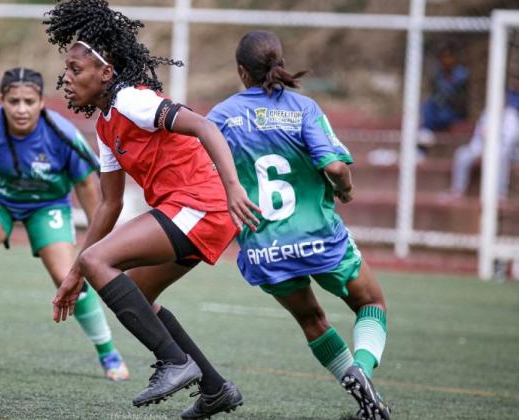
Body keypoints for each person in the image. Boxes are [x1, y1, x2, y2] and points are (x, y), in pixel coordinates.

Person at [44, 1, 259, 418]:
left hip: (202, 206)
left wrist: (232, 186)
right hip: (191, 213)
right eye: (66, 70)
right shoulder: (107, 123)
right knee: (136, 292)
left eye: (75, 69)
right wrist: (76, 274)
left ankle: (175, 362)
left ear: (106, 73)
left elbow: (204, 125)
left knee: (99, 260)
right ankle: (214, 389)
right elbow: (109, 204)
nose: (66, 79)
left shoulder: (132, 101)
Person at [207, 30, 391, 420]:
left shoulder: (221, 115)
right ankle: (363, 368)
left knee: (311, 319)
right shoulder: (303, 108)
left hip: (264, 246)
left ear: (242, 72)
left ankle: (365, 402)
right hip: (320, 240)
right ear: (281, 64)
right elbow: (334, 167)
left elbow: (201, 166)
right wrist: (346, 189)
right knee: (371, 303)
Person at [0, 67, 129, 382]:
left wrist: (98, 242)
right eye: (13, 101)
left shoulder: (63, 135)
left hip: (47, 205)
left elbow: (88, 186)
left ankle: (109, 354)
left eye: (29, 101)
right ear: (1, 101)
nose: (21, 109)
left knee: (66, 274)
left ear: (41, 102)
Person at [446, 96, 519, 200]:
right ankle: (457, 190)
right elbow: (478, 135)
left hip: (507, 151)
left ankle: (500, 194)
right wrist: (478, 150)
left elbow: (509, 140)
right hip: (482, 148)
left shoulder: (511, 115)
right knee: (462, 154)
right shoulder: (486, 114)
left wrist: (493, 142)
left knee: (500, 157)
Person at [418, 44, 470, 151]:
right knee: (427, 106)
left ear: (454, 58)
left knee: (439, 114)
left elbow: (454, 97)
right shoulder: (439, 74)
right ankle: (425, 135)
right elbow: (435, 95)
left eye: (449, 57)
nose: (446, 60)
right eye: (444, 57)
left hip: (454, 112)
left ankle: (426, 132)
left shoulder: (461, 74)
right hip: (439, 109)